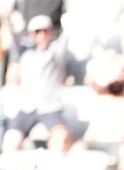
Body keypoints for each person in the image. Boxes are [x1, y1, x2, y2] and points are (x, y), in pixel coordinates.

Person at [2, 14, 73, 153]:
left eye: (44, 31)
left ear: (50, 32)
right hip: (26, 107)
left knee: (60, 140)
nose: (40, 35)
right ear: (31, 34)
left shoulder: (55, 52)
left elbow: (65, 40)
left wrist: (67, 26)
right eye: (36, 32)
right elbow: (12, 39)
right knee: (10, 142)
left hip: (50, 107)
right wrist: (7, 19)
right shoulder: (24, 54)